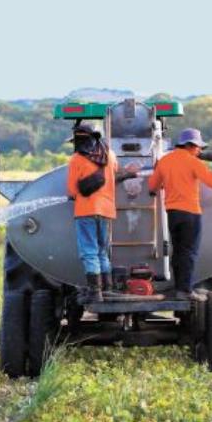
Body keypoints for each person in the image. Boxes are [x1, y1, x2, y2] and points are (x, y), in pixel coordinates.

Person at [146, 128, 212, 299]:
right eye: (198, 147)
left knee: (178, 251)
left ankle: (178, 288)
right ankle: (185, 290)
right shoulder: (193, 162)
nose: (200, 151)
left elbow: (152, 187)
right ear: (190, 145)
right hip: (190, 213)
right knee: (189, 252)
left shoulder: (164, 161)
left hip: (172, 214)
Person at [66, 122, 139, 302]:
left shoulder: (76, 159)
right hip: (106, 211)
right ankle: (107, 288)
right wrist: (130, 173)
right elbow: (116, 176)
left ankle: (95, 292)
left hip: (85, 211)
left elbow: (72, 191)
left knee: (89, 251)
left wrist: (74, 196)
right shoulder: (110, 155)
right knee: (101, 251)